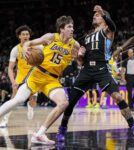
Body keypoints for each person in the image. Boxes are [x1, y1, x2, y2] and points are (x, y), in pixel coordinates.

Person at [56, 5, 134, 142]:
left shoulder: (108, 31)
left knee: (117, 97)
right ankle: (62, 128)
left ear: (104, 17)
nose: (94, 16)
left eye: (96, 15)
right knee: (71, 101)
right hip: (86, 70)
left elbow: (113, 26)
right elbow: (81, 61)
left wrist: (102, 13)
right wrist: (79, 56)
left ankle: (133, 127)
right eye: (95, 15)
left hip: (102, 69)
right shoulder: (87, 36)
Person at [0, 15, 81, 145]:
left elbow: (81, 59)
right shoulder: (50, 37)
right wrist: (26, 48)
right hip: (37, 74)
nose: (72, 29)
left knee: (64, 103)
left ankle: (39, 134)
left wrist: (80, 56)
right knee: (18, 100)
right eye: (69, 27)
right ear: (61, 28)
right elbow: (29, 43)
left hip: (52, 80)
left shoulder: (75, 45)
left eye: (72, 26)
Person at [0, 25, 39, 128]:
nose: (25, 36)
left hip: (34, 76)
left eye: (27, 34)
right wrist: (13, 81)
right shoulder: (15, 50)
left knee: (33, 101)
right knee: (13, 99)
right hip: (21, 76)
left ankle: (30, 108)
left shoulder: (36, 47)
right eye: (23, 34)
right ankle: (5, 120)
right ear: (19, 36)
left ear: (29, 36)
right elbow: (10, 68)